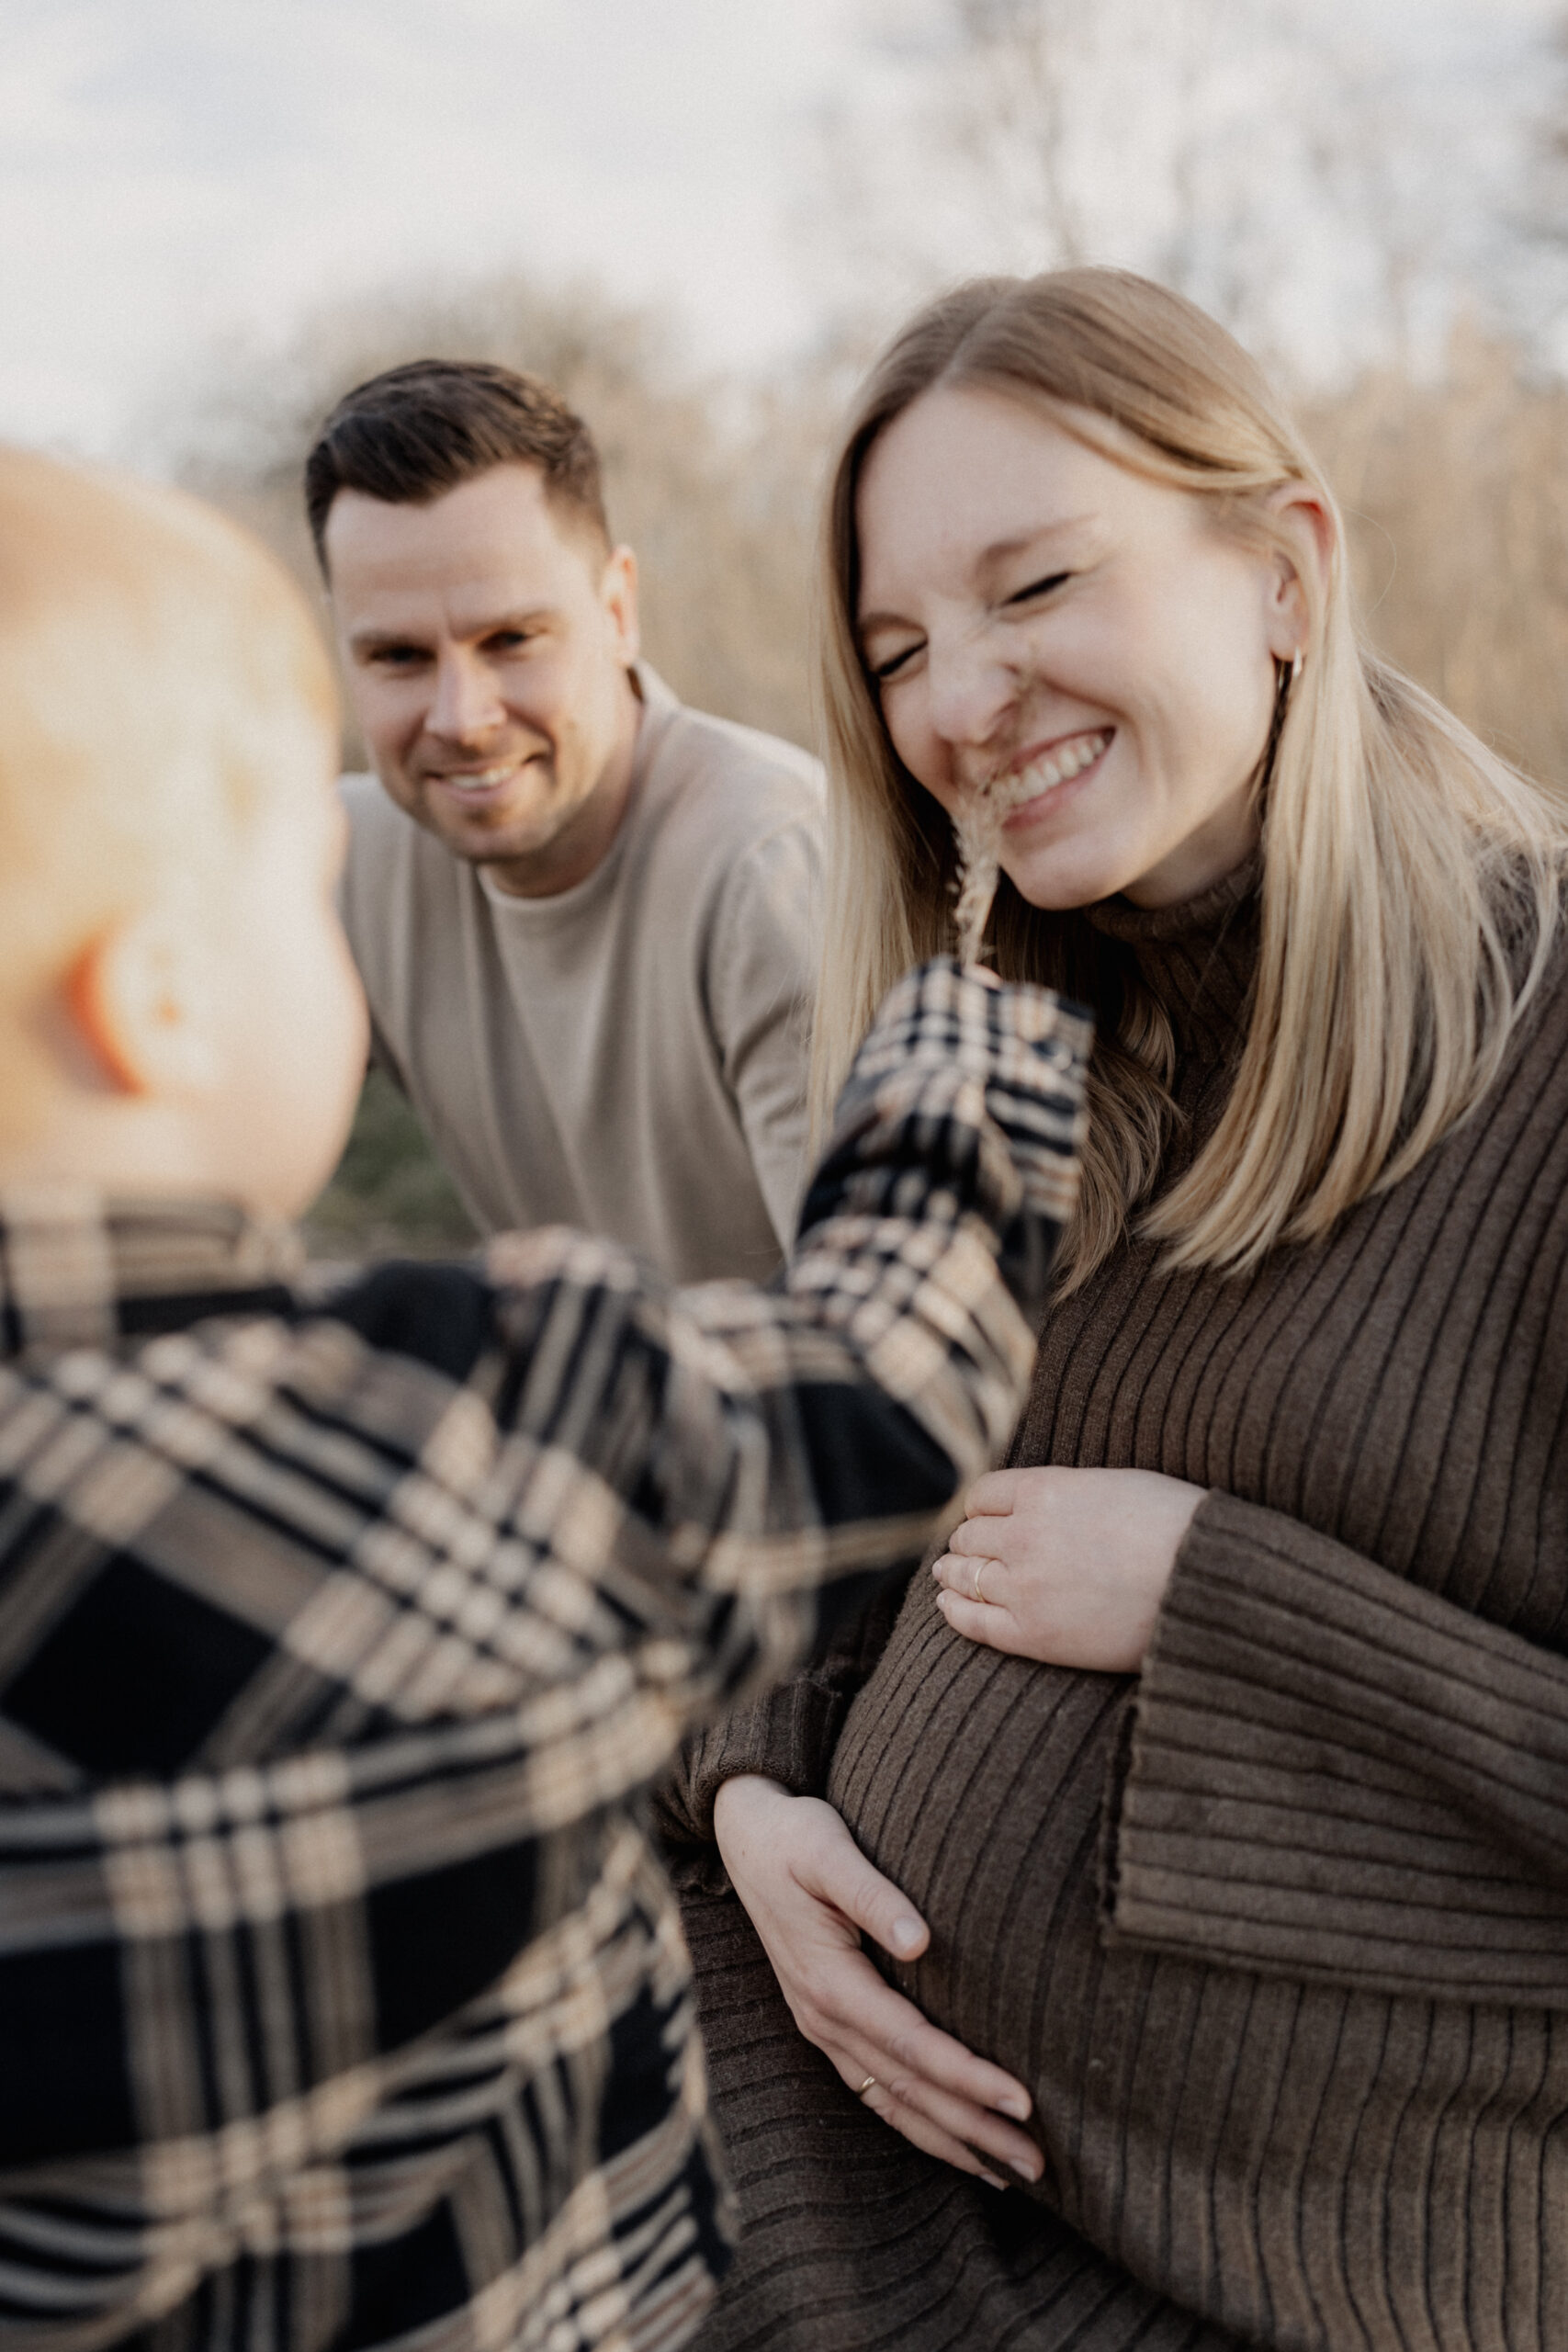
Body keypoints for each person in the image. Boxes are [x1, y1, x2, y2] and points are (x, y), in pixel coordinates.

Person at [0, 446, 1092, 2352]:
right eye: (301, 883)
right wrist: (966, 1018)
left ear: (612, 609)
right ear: (157, 994)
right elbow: (887, 1380)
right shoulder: (447, 1427)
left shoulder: (739, 852)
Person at [656, 268, 1568, 2352]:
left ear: (1277, 565)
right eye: (894, 649)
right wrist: (751, 1797)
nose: (957, 698)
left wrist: (1220, 1600)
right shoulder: (1010, 1052)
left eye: (1032, 582)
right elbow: (802, 1534)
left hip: (1252, 2244)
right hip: (829, 2080)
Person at [305, 359, 822, 1284]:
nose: (462, 718)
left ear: (618, 611)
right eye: (397, 656)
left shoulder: (772, 869)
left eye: (511, 640)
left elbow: (876, 1369)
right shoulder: (344, 858)